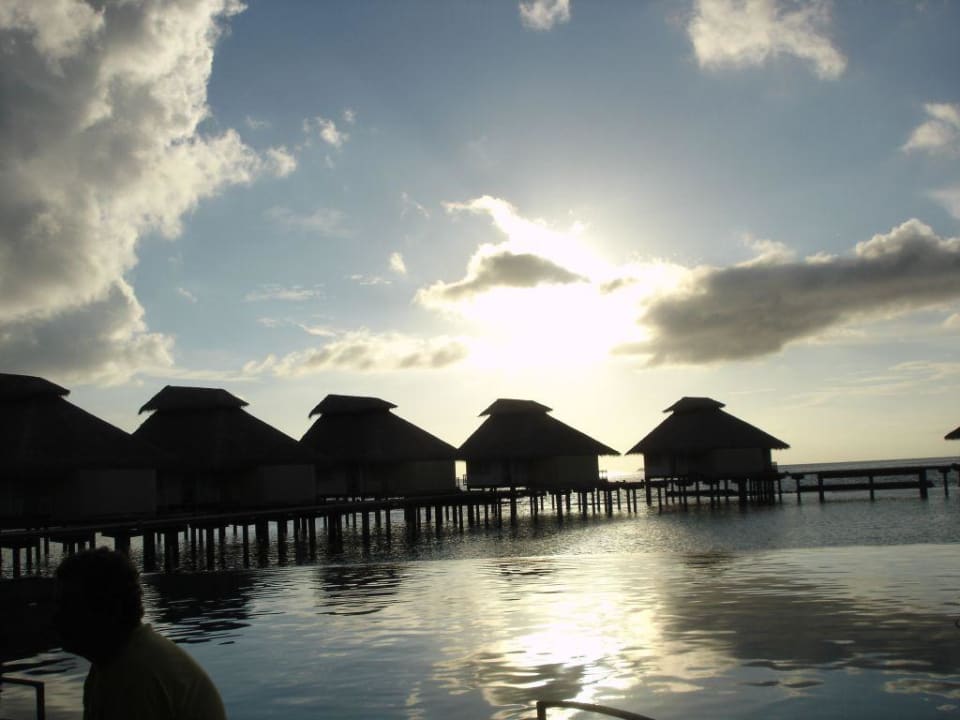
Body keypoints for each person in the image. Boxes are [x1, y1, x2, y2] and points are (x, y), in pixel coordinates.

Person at [54, 547, 227, 720]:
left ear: (107, 610)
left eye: (69, 606)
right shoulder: (117, 660)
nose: (56, 617)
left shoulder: (133, 676)